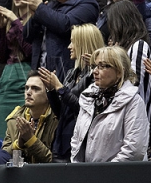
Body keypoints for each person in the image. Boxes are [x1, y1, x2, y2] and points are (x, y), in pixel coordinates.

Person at [70, 46, 150, 162]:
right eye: (94, 66)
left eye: (103, 66)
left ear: (119, 72)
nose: (95, 71)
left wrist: (105, 173)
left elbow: (134, 150)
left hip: (118, 177)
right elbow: (76, 140)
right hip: (87, 177)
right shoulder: (89, 98)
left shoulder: (133, 102)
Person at [22, 0, 100, 80]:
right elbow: (27, 36)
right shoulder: (50, 6)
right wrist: (35, 15)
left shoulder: (88, 5)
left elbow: (66, 25)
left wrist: (40, 8)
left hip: (67, 75)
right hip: (40, 73)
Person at [39, 23, 104, 162]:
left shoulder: (97, 76)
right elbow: (60, 111)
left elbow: (84, 108)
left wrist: (60, 88)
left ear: (83, 44)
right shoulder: (71, 73)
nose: (69, 46)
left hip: (81, 142)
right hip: (62, 140)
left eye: (72, 41)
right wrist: (51, 88)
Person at [0, 0, 38, 139]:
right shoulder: (10, 20)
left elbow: (30, 52)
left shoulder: (37, 19)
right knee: (2, 131)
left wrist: (15, 21)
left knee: (21, 131)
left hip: (27, 77)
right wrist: (0, 29)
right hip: (7, 78)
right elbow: (0, 55)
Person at [0, 71, 58, 164]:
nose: (28, 92)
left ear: (48, 95)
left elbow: (55, 162)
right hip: (21, 173)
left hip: (45, 174)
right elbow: (4, 155)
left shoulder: (57, 119)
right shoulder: (14, 119)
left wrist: (31, 140)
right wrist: (18, 144)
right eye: (26, 88)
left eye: (35, 89)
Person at [106, 0, 151, 121]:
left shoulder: (139, 45)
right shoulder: (123, 48)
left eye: (111, 23)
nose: (110, 28)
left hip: (135, 117)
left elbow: (134, 83)